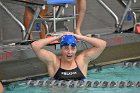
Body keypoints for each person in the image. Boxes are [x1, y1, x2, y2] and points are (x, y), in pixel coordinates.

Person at [31, 32, 106, 80]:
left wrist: (79, 37)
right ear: (61, 48)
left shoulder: (81, 61)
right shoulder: (54, 62)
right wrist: (57, 38)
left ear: (76, 49)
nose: (70, 52)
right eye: (66, 48)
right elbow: (35, 46)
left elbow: (102, 44)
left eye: (73, 48)